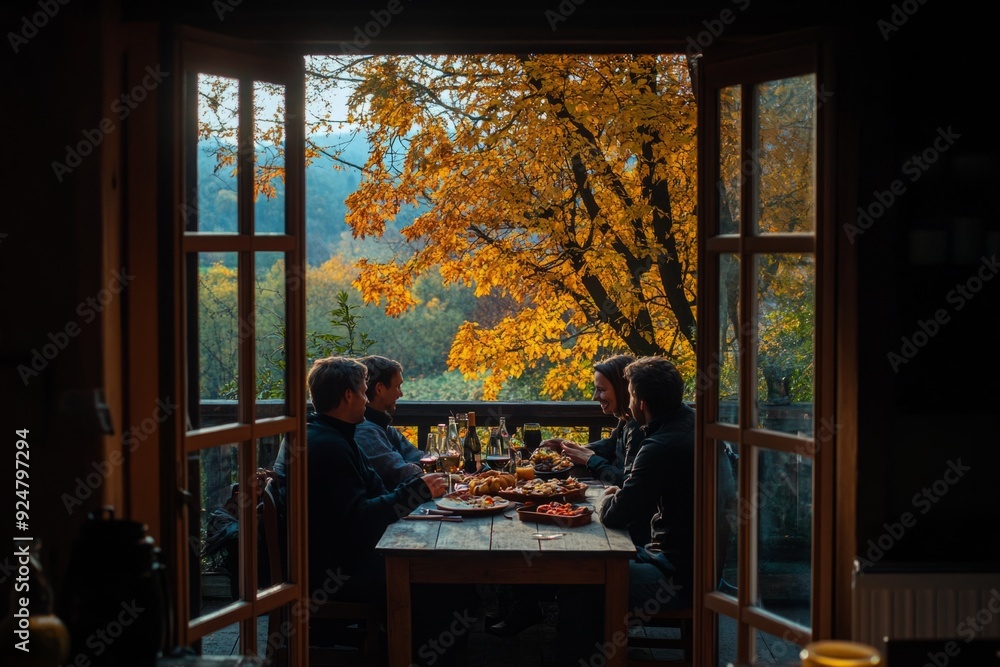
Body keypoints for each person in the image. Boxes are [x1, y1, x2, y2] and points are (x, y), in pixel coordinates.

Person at [598, 355, 696, 608]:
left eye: (629, 396)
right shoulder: (695, 424)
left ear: (641, 404)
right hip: (698, 566)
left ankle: (589, 646)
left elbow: (616, 515)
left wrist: (608, 495)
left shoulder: (660, 447)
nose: (628, 405)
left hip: (674, 576)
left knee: (585, 576)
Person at [541, 354, 641, 487]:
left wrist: (590, 460)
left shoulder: (639, 428)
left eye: (601, 390)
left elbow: (627, 483)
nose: (595, 397)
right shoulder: (626, 421)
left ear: (623, 389)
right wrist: (569, 448)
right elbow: (609, 446)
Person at [354, 355, 425, 488]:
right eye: (397, 387)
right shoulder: (364, 431)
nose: (401, 394)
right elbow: (399, 473)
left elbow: (418, 456)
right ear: (380, 389)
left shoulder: (384, 427)